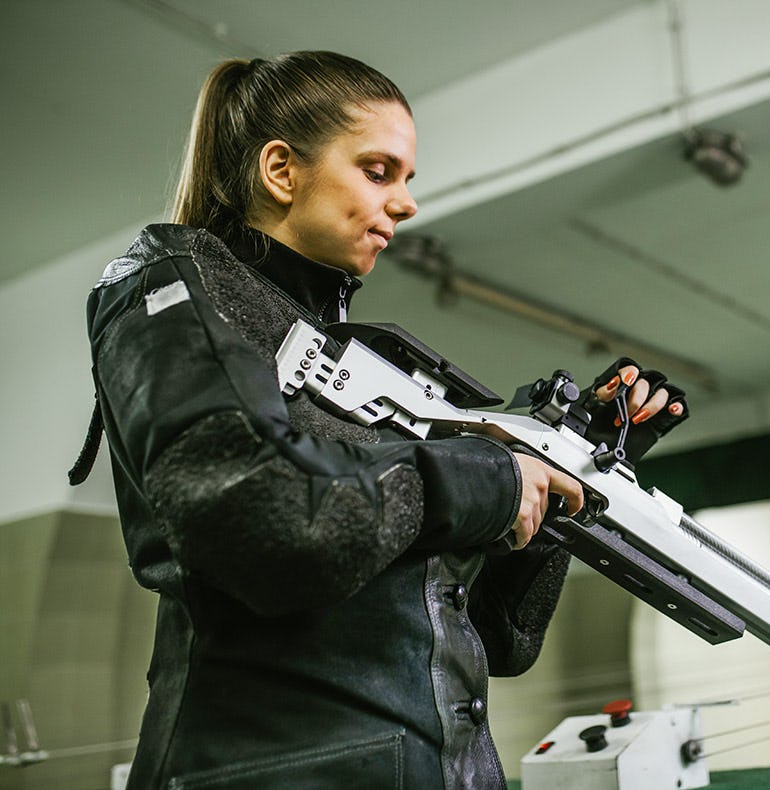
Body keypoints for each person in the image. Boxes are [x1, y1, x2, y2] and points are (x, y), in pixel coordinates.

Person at [71, 51, 687, 789]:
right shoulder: (171, 292)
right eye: (377, 170)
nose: (405, 204)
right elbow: (260, 519)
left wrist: (568, 469)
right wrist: (484, 477)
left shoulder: (360, 369)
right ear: (281, 170)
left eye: (406, 179)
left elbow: (494, 639)